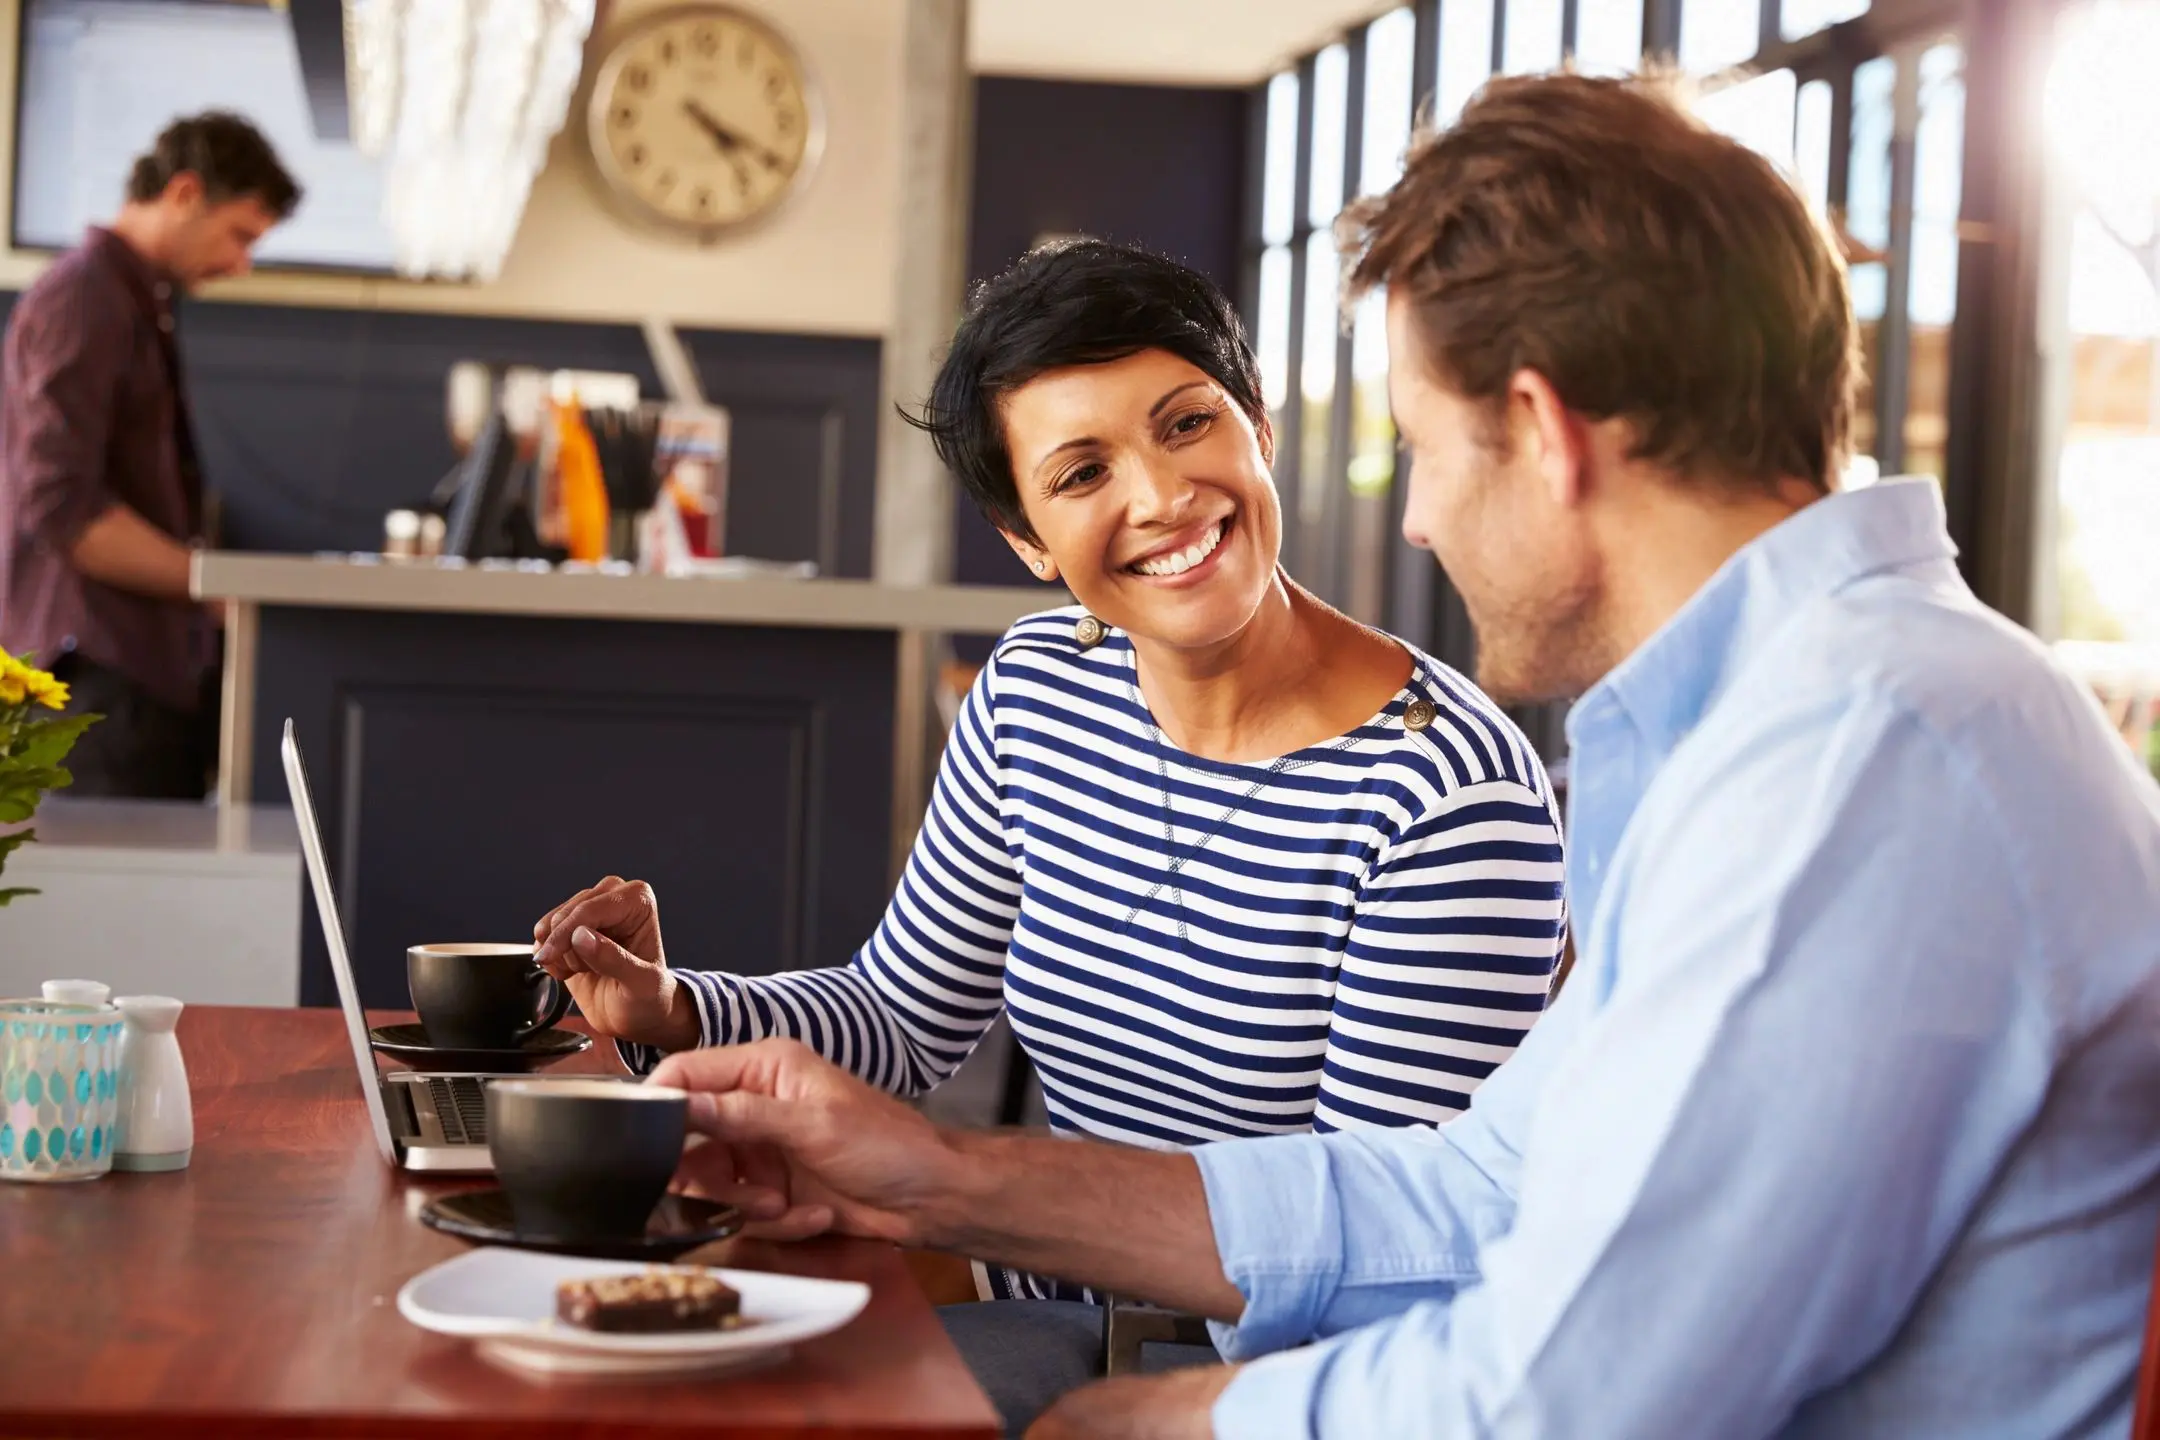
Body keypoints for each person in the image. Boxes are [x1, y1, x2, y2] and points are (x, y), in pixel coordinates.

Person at [633, 72, 2160, 1439]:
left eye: (1423, 445)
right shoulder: (1808, 728)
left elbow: (1569, 1395)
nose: (1416, 518)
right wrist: (937, 1178)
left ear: (1542, 432)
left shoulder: (1866, 762)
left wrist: (1162, 1424)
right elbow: (1474, 1194)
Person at [534, 242, 1568, 1398]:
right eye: (1082, 475)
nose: (1162, 496)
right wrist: (675, 1010)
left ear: (1258, 428)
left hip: (1228, 1383)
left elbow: (1388, 1257)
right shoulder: (1036, 693)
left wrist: (1158, 1417)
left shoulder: (1443, 792)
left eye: (1186, 424)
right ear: (1028, 541)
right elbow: (904, 1017)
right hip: (1029, 1314)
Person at [0, 112, 300, 798]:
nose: (241, 264)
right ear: (185, 193)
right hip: (93, 686)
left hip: (125, 683)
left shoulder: (128, 300)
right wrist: (214, 585)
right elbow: (62, 510)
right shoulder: (83, 297)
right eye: (241, 235)